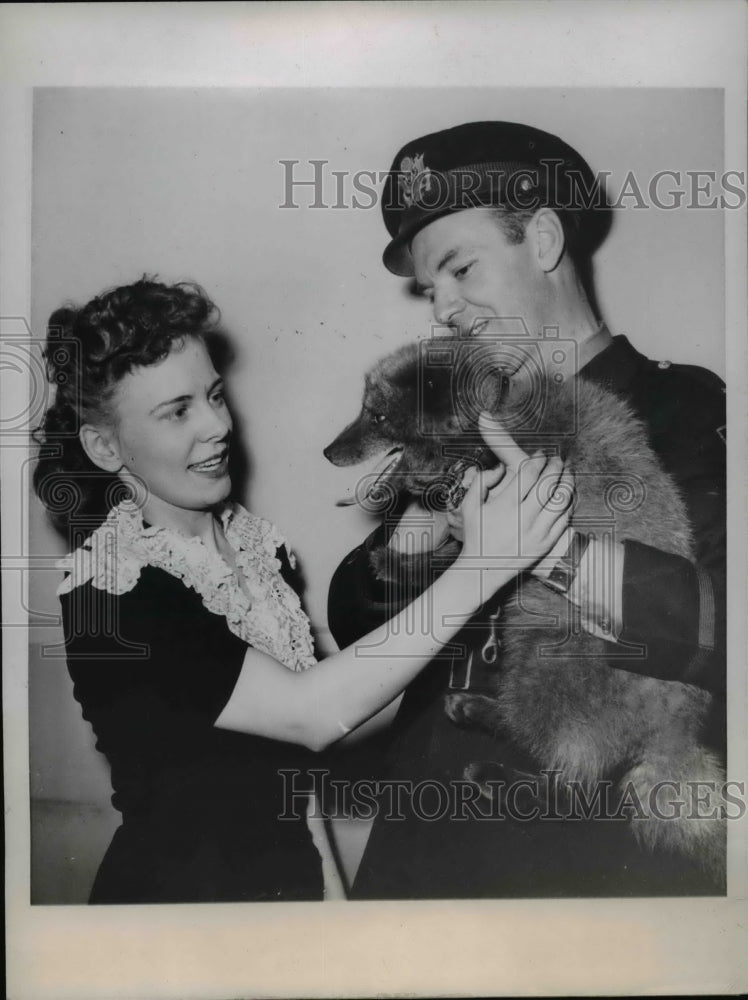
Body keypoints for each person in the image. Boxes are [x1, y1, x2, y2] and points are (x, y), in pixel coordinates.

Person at [32, 276, 572, 904]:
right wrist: (487, 563)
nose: (216, 426)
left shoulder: (255, 548)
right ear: (104, 446)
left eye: (213, 395)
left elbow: (294, 774)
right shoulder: (112, 593)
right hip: (179, 920)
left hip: (285, 898)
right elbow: (312, 714)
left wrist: (332, 908)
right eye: (177, 411)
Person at [327, 121, 727, 898]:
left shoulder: (686, 408)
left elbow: (720, 627)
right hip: (417, 856)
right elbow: (357, 623)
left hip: (579, 870)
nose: (442, 308)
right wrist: (421, 537)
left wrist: (546, 548)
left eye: (460, 268)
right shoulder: (466, 418)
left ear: (543, 237)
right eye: (427, 288)